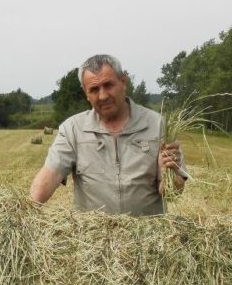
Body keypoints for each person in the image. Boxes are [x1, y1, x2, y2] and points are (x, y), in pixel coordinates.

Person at [29, 54, 186, 215]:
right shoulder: (73, 129)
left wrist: (170, 170)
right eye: (94, 89)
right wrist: (24, 212)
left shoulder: (158, 125)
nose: (103, 96)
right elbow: (49, 176)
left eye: (108, 85)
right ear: (86, 94)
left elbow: (173, 193)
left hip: (147, 236)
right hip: (92, 237)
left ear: (123, 82)